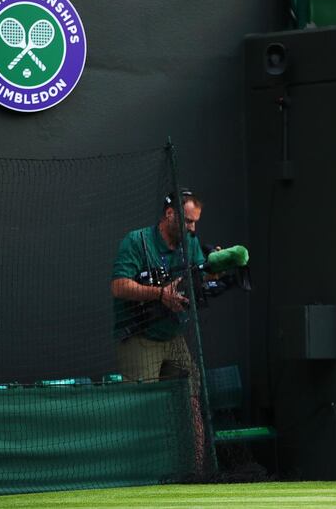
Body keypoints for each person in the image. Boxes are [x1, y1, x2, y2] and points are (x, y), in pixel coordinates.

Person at [110, 188, 206, 468]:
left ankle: (197, 469)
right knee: (140, 406)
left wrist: (217, 268)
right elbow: (118, 286)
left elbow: (201, 273)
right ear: (169, 215)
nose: (192, 228)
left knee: (191, 399)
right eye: (188, 221)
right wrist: (160, 293)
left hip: (174, 334)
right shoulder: (137, 241)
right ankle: (136, 471)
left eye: (195, 222)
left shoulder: (191, 244)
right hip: (141, 336)